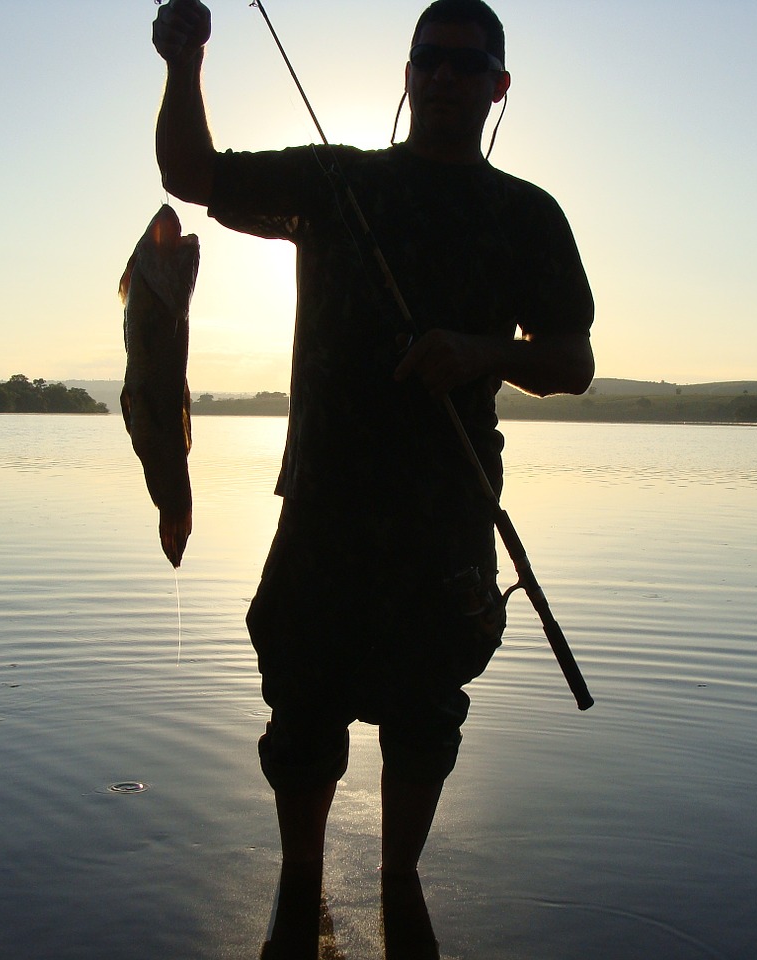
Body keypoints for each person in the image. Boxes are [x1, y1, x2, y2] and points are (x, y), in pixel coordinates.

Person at [151, 0, 594, 920]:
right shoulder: (332, 183)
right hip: (324, 502)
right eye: (428, 58)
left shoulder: (527, 215)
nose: (443, 76)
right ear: (406, 71)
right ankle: (299, 889)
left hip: (447, 514)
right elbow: (190, 172)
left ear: (499, 87)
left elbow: (572, 361)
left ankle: (399, 882)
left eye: (466, 65)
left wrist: (482, 352)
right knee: (302, 708)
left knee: (426, 715)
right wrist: (185, 56)